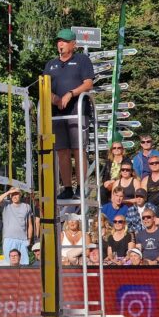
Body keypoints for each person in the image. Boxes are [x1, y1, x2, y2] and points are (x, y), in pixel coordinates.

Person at [43, 28, 95, 200]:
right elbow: (45, 89)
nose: (60, 44)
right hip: (57, 114)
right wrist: (55, 99)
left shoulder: (82, 60)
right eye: (59, 41)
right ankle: (67, 187)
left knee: (79, 149)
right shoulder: (51, 64)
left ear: (74, 44)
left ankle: (81, 186)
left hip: (77, 112)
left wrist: (71, 93)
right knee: (62, 151)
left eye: (64, 41)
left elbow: (88, 84)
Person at [0, 187, 32, 265]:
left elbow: (29, 224)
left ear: (20, 195)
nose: (15, 196)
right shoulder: (6, 204)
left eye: (16, 194)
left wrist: (29, 239)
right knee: (9, 264)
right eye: (13, 194)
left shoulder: (26, 206)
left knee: (24, 263)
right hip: (9, 239)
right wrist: (9, 192)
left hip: (23, 240)